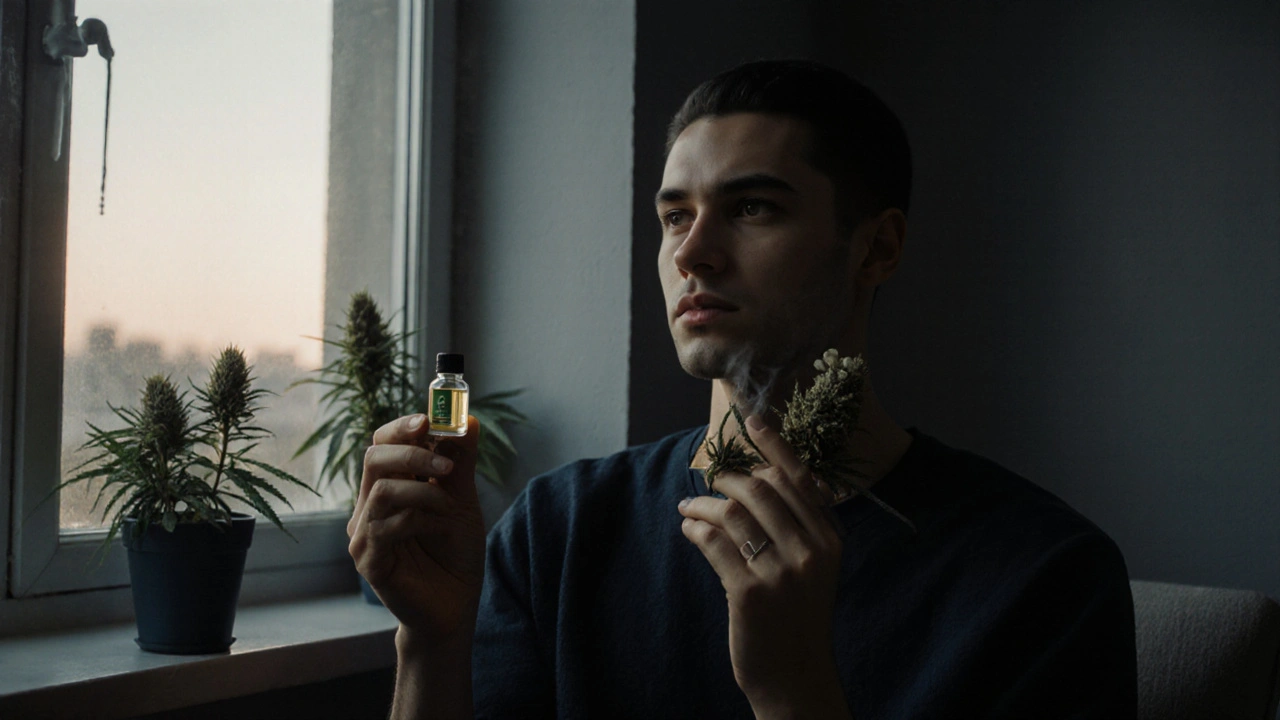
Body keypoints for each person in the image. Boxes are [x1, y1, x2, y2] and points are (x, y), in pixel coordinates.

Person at [347, 60, 1137, 719]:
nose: (694, 252)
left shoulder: (1044, 578)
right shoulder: (559, 530)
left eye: (752, 208)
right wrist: (431, 640)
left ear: (877, 248)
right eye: (674, 216)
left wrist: (795, 692)